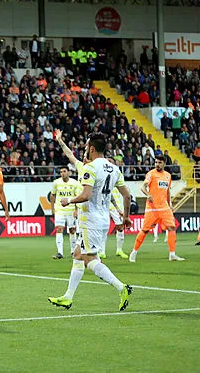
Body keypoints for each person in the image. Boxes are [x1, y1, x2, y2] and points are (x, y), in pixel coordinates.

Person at [48, 132, 134, 312]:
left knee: (89, 260)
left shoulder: (90, 168)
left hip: (90, 221)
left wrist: (68, 201)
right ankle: (68, 297)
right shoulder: (113, 168)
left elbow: (86, 194)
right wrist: (125, 217)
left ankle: (121, 287)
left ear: (92, 148)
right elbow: (127, 195)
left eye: (87, 147)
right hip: (102, 220)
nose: (85, 150)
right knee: (78, 255)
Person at [129, 155, 184, 262]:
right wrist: (148, 194)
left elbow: (167, 192)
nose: (157, 164)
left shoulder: (168, 176)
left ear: (164, 163)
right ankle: (134, 252)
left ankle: (172, 254)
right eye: (156, 162)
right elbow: (143, 187)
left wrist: (170, 204)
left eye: (159, 162)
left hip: (164, 208)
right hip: (152, 208)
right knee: (144, 230)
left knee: (172, 228)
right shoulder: (151, 174)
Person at [102, 156, 128, 259]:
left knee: (120, 227)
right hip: (103, 204)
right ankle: (101, 251)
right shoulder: (100, 173)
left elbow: (123, 190)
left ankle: (119, 250)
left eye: (110, 162)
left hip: (116, 204)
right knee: (103, 228)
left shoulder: (117, 174)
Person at [50, 167, 80, 259]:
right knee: (59, 229)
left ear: (69, 172)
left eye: (64, 171)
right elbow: (52, 195)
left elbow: (77, 197)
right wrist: (52, 208)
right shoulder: (56, 183)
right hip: (60, 210)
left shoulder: (75, 183)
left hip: (71, 210)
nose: (62, 173)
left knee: (72, 230)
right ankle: (60, 252)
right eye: (61, 172)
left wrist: (76, 210)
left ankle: (73, 251)